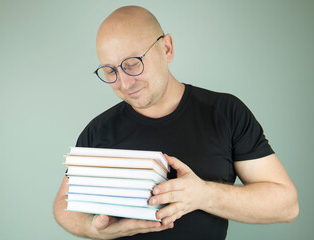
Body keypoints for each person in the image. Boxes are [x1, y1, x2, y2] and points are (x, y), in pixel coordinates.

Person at [53, 5, 299, 240]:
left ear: (167, 48)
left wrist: (203, 195)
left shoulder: (226, 113)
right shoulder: (98, 131)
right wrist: (92, 228)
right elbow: (63, 204)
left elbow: (286, 205)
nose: (125, 84)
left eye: (132, 65)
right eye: (110, 71)